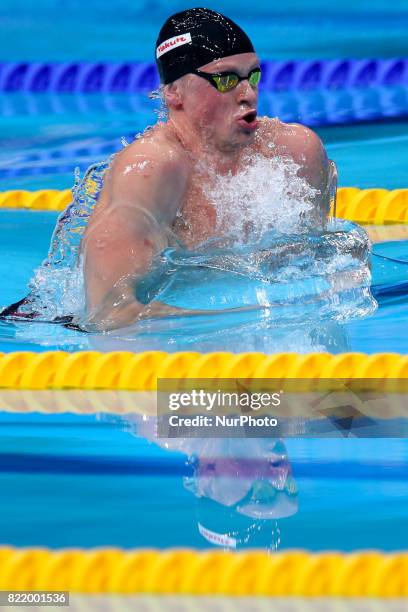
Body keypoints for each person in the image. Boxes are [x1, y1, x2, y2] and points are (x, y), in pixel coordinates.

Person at [1, 8, 332, 331]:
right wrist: (260, 314)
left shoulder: (293, 153)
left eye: (253, 76)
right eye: (226, 79)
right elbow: (110, 316)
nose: (248, 94)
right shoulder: (151, 169)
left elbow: (312, 262)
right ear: (174, 92)